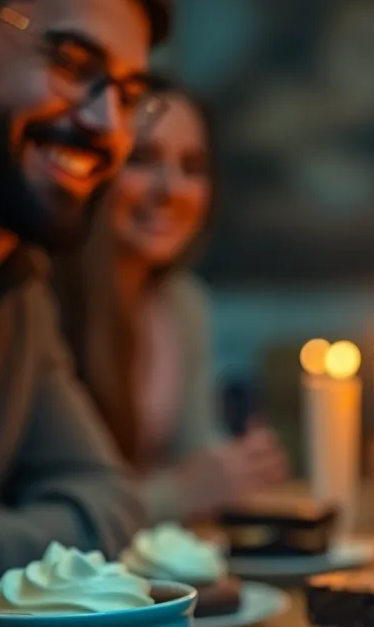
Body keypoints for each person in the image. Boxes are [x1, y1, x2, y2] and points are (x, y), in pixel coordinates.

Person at [0, 0, 170, 598]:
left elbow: (108, 504)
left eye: (130, 96)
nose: (108, 127)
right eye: (72, 64)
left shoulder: (17, 278)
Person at [53, 76, 288, 523]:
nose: (171, 189)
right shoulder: (41, 305)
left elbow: (199, 457)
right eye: (141, 159)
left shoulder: (183, 306)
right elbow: (36, 511)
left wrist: (239, 469)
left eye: (193, 167)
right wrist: (177, 492)